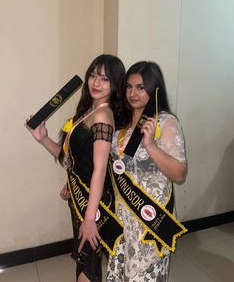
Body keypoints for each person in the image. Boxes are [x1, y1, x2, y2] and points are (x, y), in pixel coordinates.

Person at [26, 54, 126, 282]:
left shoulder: (102, 115)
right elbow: (71, 160)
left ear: (115, 84)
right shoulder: (87, 112)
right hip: (82, 199)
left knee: (88, 267)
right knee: (86, 263)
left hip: (94, 205)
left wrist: (90, 219)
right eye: (93, 75)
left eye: (104, 79)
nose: (96, 83)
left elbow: (100, 169)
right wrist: (43, 138)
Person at [106, 61, 187, 282]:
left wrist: (150, 145)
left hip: (149, 218)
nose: (133, 93)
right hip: (122, 215)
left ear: (154, 89)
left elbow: (180, 173)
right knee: (120, 273)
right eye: (129, 87)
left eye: (140, 87)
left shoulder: (165, 122)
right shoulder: (121, 121)